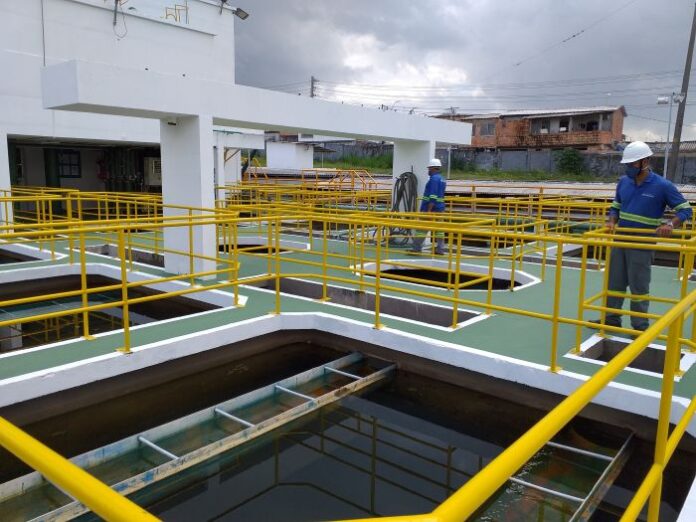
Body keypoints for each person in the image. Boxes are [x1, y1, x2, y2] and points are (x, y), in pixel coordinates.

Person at [593, 141, 692, 332]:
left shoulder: (662, 186)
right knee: (614, 283)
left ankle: (639, 326)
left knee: (639, 286)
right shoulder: (624, 182)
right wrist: (611, 221)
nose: (629, 168)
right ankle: (611, 319)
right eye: (627, 164)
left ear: (645, 161)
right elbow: (616, 206)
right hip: (620, 239)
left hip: (642, 243)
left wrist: (670, 224)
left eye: (632, 164)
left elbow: (685, 210)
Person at [409, 158, 447, 255]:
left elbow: (433, 196)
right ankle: (440, 249)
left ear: (433, 168)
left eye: (429, 168)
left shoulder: (434, 179)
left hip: (430, 208)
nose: (428, 170)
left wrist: (429, 210)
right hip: (440, 208)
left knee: (421, 229)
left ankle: (416, 248)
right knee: (439, 229)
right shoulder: (442, 179)